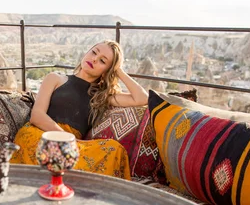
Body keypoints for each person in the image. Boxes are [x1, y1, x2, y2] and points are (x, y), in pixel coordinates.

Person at [10, 40, 149, 180]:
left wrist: (118, 71)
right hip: (41, 135)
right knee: (44, 147)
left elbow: (142, 98)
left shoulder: (102, 96)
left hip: (74, 146)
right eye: (94, 52)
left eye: (102, 61)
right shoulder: (55, 78)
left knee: (115, 149)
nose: (94, 59)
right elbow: (37, 115)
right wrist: (67, 139)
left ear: (107, 71)